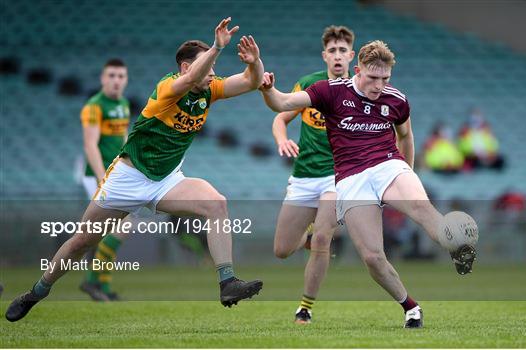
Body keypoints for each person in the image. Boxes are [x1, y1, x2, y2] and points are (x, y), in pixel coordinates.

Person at [6, 17, 264, 322]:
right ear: (186, 68)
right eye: (208, 68)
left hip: (166, 179)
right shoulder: (169, 86)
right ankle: (38, 290)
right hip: (128, 178)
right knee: (82, 242)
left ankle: (227, 282)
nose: (213, 75)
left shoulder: (210, 89)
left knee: (217, 203)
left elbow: (251, 81)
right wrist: (218, 47)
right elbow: (191, 77)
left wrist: (255, 61)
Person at [259, 40, 477, 328]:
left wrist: (407, 173)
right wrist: (266, 87)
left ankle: (458, 246)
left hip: (388, 165)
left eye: (385, 78)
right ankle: (411, 308)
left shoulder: (396, 99)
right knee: (373, 257)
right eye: (373, 78)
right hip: (351, 180)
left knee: (419, 207)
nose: (379, 85)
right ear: (358, 70)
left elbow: (406, 136)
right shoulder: (331, 92)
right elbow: (282, 103)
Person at [271, 25, 355, 324]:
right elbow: (281, 118)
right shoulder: (309, 84)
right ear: (324, 55)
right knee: (282, 250)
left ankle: (304, 308)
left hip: (338, 177)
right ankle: (305, 231)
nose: (337, 56)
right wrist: (282, 139)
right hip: (304, 176)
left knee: (322, 238)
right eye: (332, 50)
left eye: (342, 50)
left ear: (351, 55)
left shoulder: (359, 89)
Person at [79, 58, 131, 302]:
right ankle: (94, 282)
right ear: (102, 78)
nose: (116, 80)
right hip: (98, 177)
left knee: (118, 230)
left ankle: (100, 284)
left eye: (120, 76)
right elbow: (90, 146)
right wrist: (103, 179)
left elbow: (122, 141)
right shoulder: (94, 106)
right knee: (114, 230)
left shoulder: (123, 104)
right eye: (111, 75)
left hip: (117, 176)